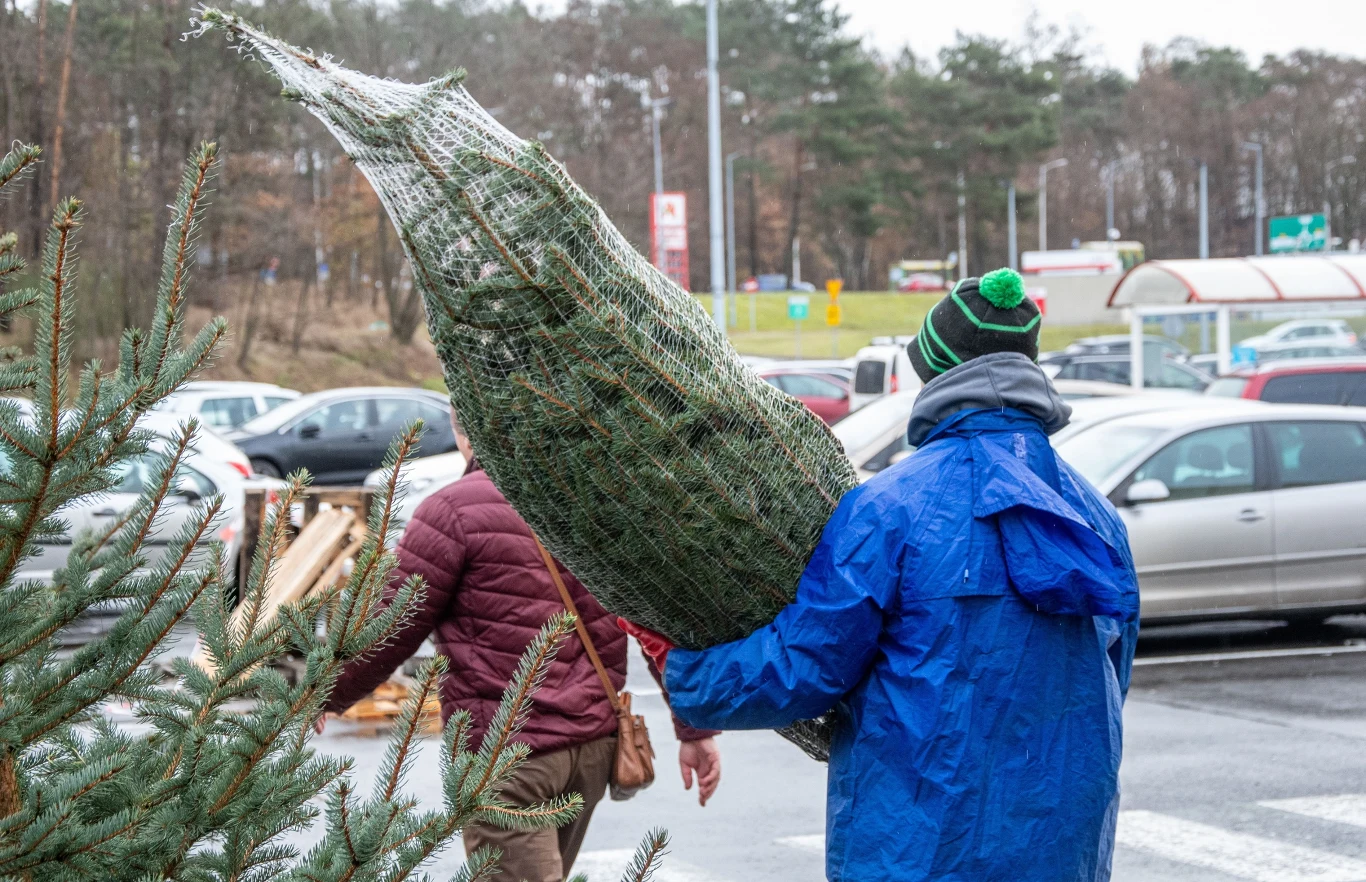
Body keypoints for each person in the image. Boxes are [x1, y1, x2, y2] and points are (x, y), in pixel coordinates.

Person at [623, 268, 1139, 882]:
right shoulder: (1095, 515)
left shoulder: (889, 510)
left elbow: (809, 662)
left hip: (919, 844)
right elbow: (1114, 675)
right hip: (1064, 843)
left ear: (935, 373)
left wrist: (690, 679)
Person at [320, 412, 722, 882]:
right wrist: (693, 727)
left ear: (459, 428)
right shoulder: (598, 504)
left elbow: (392, 626)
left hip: (506, 753)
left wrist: (323, 691)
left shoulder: (453, 512)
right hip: (592, 749)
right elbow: (658, 622)